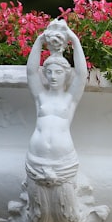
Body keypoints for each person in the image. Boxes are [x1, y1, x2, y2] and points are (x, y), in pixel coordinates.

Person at [25, 19, 88, 185]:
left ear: (66, 74)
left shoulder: (70, 99)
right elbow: (31, 72)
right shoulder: (40, 96)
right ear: (45, 73)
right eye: (50, 72)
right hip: (36, 159)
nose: (53, 76)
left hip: (63, 162)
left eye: (58, 72)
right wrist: (40, 40)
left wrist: (74, 39)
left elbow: (82, 75)